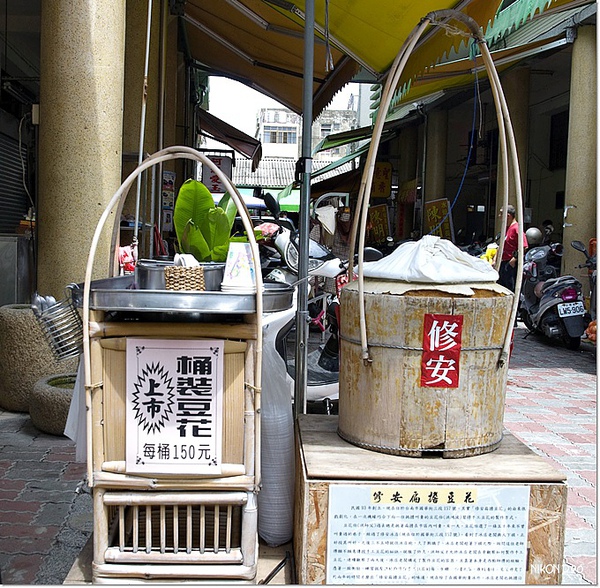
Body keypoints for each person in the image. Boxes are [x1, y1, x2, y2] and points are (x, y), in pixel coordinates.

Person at [498, 205, 528, 292]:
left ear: (508, 216)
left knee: (510, 288)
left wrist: (514, 260)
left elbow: (524, 246)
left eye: (501, 214)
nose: (499, 217)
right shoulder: (507, 228)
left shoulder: (516, 228)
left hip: (510, 263)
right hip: (503, 263)